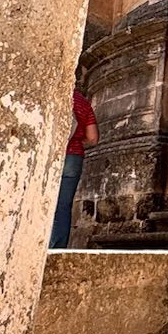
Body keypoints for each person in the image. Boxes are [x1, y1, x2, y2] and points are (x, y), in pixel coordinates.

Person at [49, 85, 98, 248]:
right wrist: (76, 142)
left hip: (51, 154)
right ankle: (56, 248)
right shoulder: (82, 102)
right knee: (63, 206)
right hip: (73, 157)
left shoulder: (54, 92)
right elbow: (93, 138)